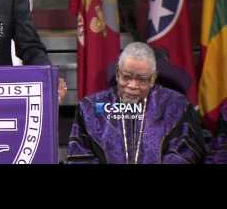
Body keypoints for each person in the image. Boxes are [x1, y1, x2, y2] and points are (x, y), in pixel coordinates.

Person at [66, 41, 205, 164]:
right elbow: (80, 155)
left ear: (153, 78)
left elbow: (185, 153)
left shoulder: (177, 106)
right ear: (117, 73)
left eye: (141, 79)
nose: (132, 85)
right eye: (126, 77)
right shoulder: (90, 107)